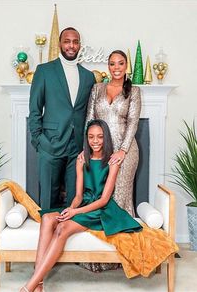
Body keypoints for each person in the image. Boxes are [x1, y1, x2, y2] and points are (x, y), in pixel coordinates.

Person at [20, 119, 142, 292]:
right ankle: (38, 285)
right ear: (87, 138)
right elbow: (78, 195)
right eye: (91, 137)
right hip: (82, 203)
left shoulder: (112, 162)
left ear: (105, 138)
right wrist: (71, 209)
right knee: (48, 218)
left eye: (100, 137)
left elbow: (104, 200)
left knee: (61, 229)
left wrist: (76, 211)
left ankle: (28, 287)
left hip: (100, 209)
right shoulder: (81, 159)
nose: (95, 141)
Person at [80, 50, 141, 272]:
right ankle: (96, 255)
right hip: (99, 151)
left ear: (126, 66)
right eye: (112, 63)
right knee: (98, 199)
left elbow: (133, 122)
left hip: (125, 154)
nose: (116, 67)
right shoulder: (97, 88)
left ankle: (121, 257)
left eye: (120, 63)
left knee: (118, 202)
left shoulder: (134, 91)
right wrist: (84, 150)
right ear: (108, 66)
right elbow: (89, 120)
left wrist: (123, 151)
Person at [29, 27, 95, 209]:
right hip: (50, 144)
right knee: (48, 201)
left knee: (75, 200)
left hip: (77, 149)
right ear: (60, 44)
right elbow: (34, 111)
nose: (71, 46)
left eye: (75, 42)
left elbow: (87, 112)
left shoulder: (89, 77)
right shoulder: (44, 71)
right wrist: (40, 141)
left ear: (80, 45)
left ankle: (68, 236)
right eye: (67, 41)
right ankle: (47, 236)